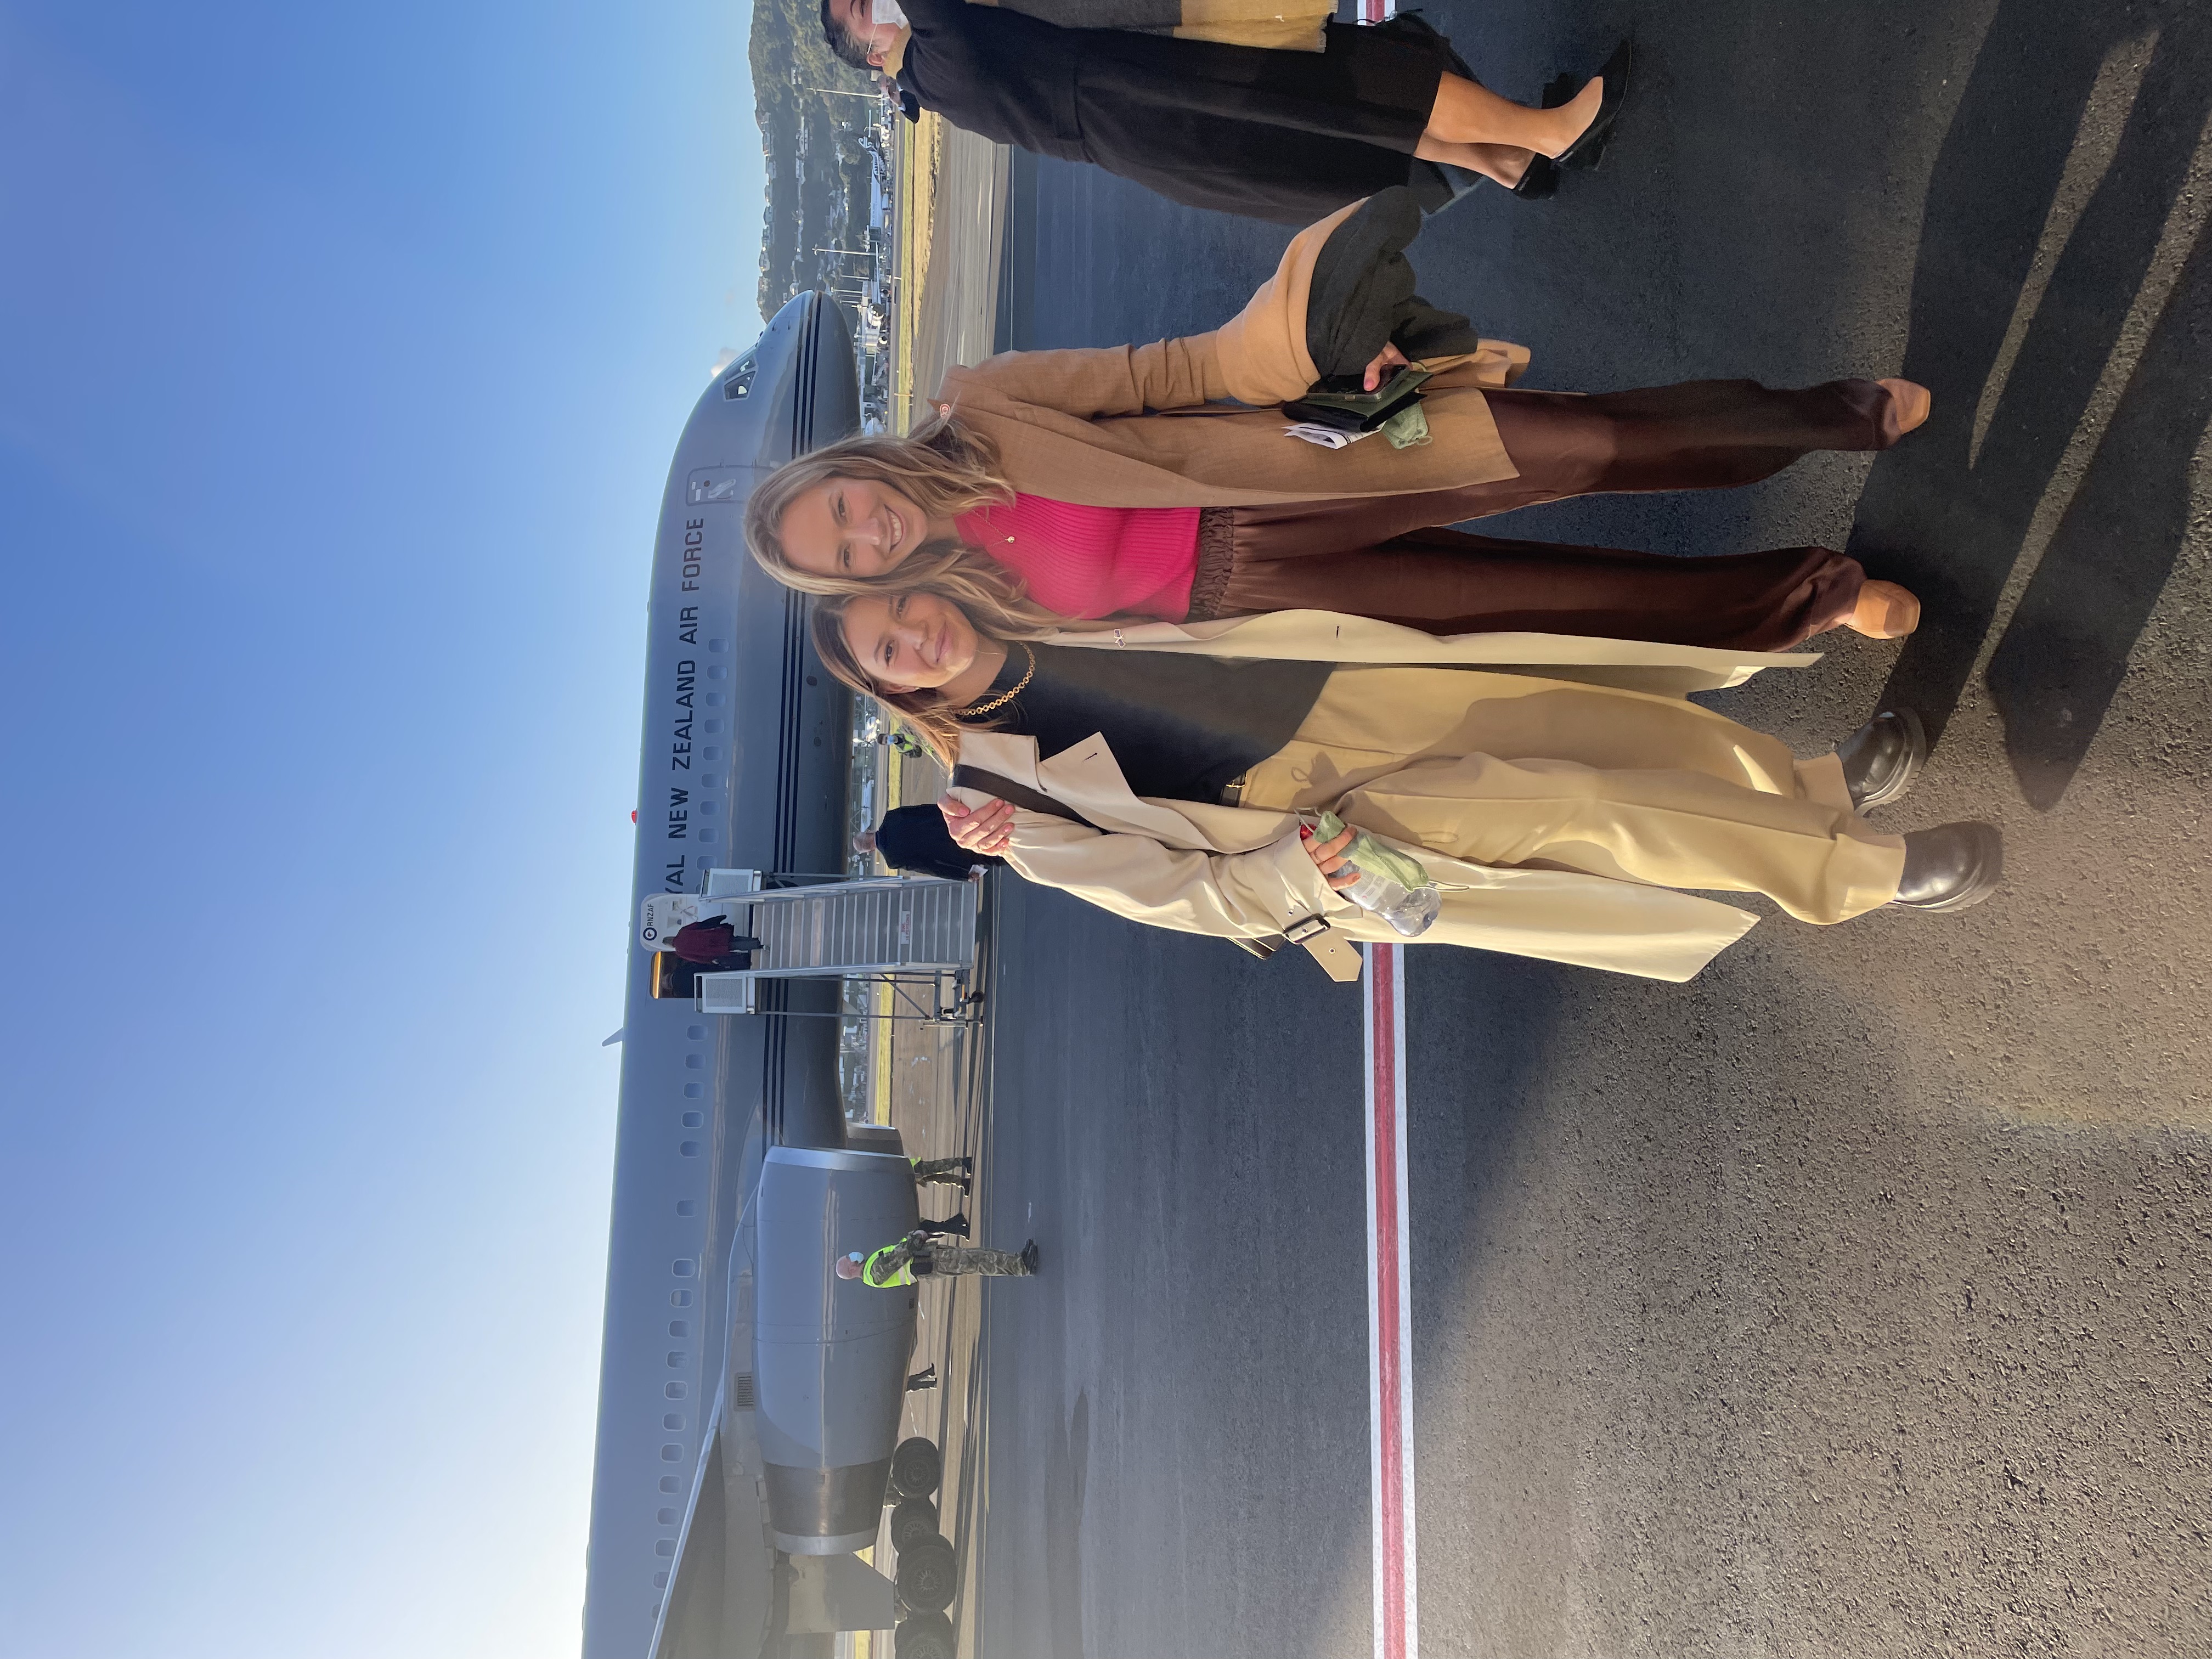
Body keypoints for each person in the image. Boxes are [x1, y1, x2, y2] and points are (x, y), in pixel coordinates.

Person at [747, 196, 1928, 653]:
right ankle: (1816, 595)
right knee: (1551, 607)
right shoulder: (948, 612)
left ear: (852, 467)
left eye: (842, 508)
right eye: (843, 557)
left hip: (1300, 466)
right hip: (1263, 601)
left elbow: (1167, 371)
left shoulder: (981, 404)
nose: (868, 535)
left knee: (1578, 444)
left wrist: (1305, 356)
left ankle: (1833, 415)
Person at [808, 586, 2005, 984]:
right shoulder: (999, 799)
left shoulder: (1038, 600)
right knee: (1587, 810)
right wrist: (1298, 870)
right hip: (1324, 813)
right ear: (887, 689)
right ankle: (1864, 875)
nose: (914, 634)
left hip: (1343, 683)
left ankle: (1815, 791)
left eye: (903, 605)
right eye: (885, 650)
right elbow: (1177, 900)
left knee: (1615, 737)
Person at [823, 1, 1632, 216]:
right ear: (871, 53)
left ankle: (1510, 160)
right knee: (1362, 83)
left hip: (1149, 103)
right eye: (863, 5)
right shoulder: (933, 62)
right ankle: (1556, 134)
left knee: (1357, 104)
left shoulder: (934, 75)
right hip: (1155, 94)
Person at [856, 805, 1003, 882]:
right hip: (954, 826)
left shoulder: (893, 860)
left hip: (957, 853)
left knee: (999, 853)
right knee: (997, 824)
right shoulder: (892, 817)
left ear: (870, 851)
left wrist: (962, 875)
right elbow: (927, 810)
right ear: (869, 831)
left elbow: (930, 868)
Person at [838, 1231, 1041, 1285]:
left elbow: (897, 1249)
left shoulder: (871, 1265)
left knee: (978, 1255)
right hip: (930, 1263)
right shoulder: (873, 1273)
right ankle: (1022, 1267)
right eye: (849, 1259)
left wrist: (912, 1238)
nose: (853, 1256)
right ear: (851, 1270)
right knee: (977, 1262)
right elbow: (901, 1256)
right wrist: (916, 1239)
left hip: (930, 1257)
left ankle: (1018, 1259)